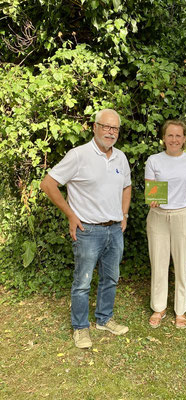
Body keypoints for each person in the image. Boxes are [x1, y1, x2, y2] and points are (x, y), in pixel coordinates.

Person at [40, 109, 132, 349]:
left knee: (110, 279)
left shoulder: (120, 157)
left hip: (114, 231)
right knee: (83, 282)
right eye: (106, 127)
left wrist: (124, 215)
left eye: (115, 128)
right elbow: (48, 184)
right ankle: (80, 328)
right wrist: (70, 214)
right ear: (95, 127)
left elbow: (127, 187)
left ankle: (104, 319)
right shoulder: (78, 155)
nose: (111, 132)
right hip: (88, 231)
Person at [145, 120, 186, 329]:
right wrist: (153, 198)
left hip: (183, 216)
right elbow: (151, 191)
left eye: (178, 136)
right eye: (170, 135)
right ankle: (159, 307)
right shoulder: (154, 160)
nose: (174, 139)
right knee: (158, 263)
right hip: (158, 216)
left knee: (182, 264)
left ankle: (181, 310)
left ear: (184, 139)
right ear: (163, 138)